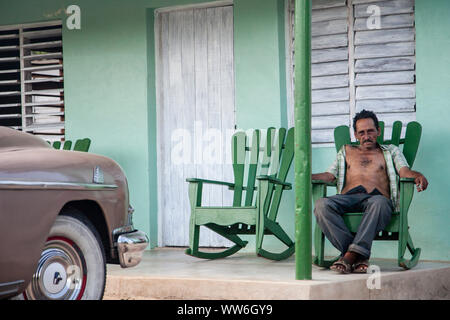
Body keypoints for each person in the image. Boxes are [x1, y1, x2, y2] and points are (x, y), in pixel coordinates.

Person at [312, 110, 428, 274]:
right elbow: (329, 176)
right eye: (362, 132)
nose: (366, 136)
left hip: (377, 201)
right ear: (356, 135)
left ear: (378, 131)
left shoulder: (390, 151)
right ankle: (356, 255)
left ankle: (349, 256)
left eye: (370, 131)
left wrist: (417, 175)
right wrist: (306, 175)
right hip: (347, 199)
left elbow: (404, 172)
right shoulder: (345, 152)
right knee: (321, 205)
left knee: (380, 202)